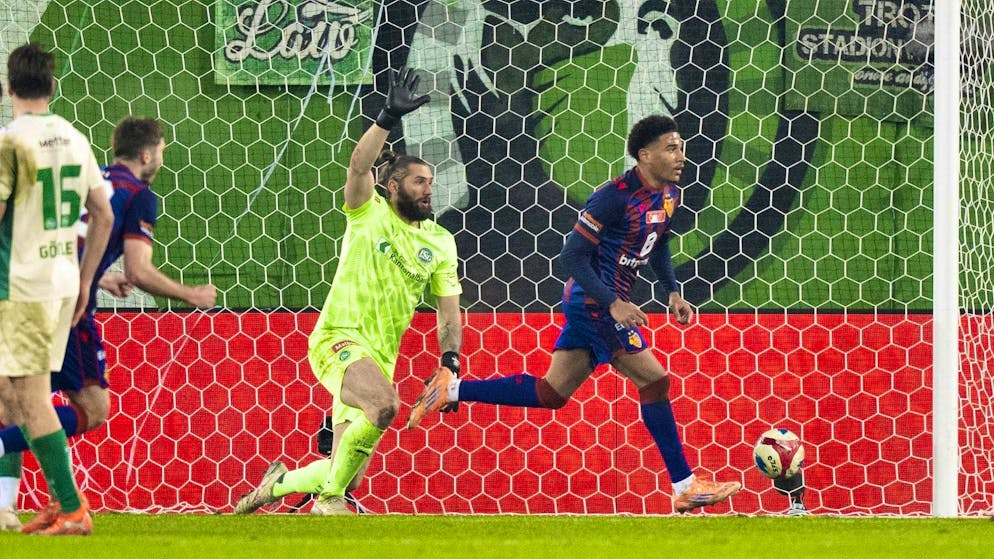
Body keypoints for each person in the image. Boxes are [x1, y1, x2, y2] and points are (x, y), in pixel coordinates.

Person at [408, 114, 742, 513]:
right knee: (655, 381)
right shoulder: (613, 196)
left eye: (682, 147)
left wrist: (672, 290)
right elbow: (572, 255)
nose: (681, 155)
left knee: (551, 393)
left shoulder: (669, 194)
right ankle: (685, 485)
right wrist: (612, 303)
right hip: (593, 304)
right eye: (672, 148)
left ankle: (451, 389)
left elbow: (660, 242)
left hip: (601, 305)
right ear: (644, 155)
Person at [234, 67, 463, 515]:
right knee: (384, 406)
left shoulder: (439, 242)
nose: (428, 190)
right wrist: (386, 118)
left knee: (347, 467)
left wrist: (450, 361)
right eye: (419, 181)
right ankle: (330, 501)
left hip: (379, 357)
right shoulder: (367, 212)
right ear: (392, 185)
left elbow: (449, 314)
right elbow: (359, 165)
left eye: (432, 183)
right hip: (337, 337)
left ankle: (278, 485)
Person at [0, 116, 217, 530]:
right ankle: (60, 503)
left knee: (18, 401)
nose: (162, 158)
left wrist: (100, 275)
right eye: (164, 150)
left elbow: (65, 242)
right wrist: (191, 295)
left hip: (28, 288)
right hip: (68, 305)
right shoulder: (139, 194)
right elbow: (140, 272)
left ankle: (27, 505)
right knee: (91, 409)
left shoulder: (91, 179)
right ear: (148, 153)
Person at [0, 43, 113, 535]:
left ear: (8, 88)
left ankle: (71, 508)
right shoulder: (73, 136)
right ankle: (50, 503)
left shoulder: (10, 142)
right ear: (51, 86)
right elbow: (103, 213)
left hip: (20, 286)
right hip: (62, 283)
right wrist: (86, 281)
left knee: (30, 398)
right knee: (24, 395)